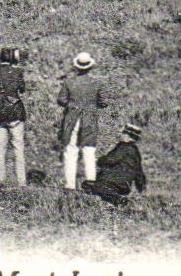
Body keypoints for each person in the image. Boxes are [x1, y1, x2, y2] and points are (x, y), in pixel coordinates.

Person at [57, 52, 108, 191]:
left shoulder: (69, 82)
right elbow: (104, 102)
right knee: (89, 150)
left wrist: (71, 104)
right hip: (89, 118)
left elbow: (61, 100)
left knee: (70, 150)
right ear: (90, 67)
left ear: (76, 66)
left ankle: (69, 185)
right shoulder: (96, 83)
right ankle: (91, 183)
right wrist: (92, 104)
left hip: (72, 118)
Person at [0, 48, 27, 185]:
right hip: (14, 110)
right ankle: (21, 181)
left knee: (0, 147)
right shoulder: (17, 72)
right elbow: (22, 89)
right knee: (18, 146)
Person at [80, 123, 147, 206]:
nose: (121, 135)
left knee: (88, 185)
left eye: (124, 133)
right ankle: (116, 197)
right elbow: (139, 173)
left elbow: (109, 160)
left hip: (112, 181)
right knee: (99, 188)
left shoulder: (123, 148)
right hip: (124, 186)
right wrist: (141, 188)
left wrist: (100, 160)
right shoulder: (136, 153)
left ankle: (118, 199)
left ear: (128, 136)